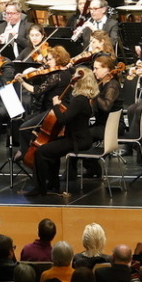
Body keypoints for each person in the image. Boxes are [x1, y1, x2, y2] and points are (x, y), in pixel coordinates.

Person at [24, 67, 99, 198]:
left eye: (75, 76)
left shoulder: (80, 100)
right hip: (78, 138)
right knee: (51, 150)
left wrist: (55, 105)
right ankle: (53, 184)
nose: (72, 78)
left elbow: (63, 119)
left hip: (78, 141)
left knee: (41, 151)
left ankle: (40, 188)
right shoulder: (83, 98)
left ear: (80, 81)